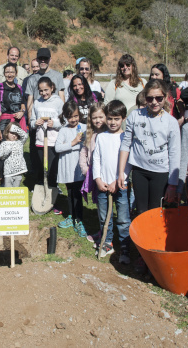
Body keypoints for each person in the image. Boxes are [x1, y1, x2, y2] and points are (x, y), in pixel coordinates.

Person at [117, 80, 180, 271]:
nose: (154, 102)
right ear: (145, 97)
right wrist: (122, 172)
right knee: (142, 213)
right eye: (150, 98)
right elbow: (126, 144)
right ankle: (143, 254)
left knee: (156, 214)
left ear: (165, 98)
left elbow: (175, 153)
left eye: (158, 98)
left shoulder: (170, 122)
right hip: (140, 172)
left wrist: (173, 184)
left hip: (160, 173)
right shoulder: (135, 115)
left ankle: (155, 251)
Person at [93, 100, 131, 263]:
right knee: (104, 216)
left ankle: (125, 247)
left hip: (120, 185)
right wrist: (98, 179)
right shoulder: (101, 137)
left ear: (123, 118)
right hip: (103, 185)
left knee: (122, 219)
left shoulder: (125, 137)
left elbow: (128, 163)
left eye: (116, 119)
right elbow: (96, 159)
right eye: (109, 118)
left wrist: (119, 180)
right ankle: (107, 242)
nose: (112, 122)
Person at [55, 101, 87, 237]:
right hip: (67, 166)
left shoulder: (84, 127)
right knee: (70, 192)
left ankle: (79, 220)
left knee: (77, 194)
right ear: (65, 117)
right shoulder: (63, 130)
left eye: (75, 116)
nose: (73, 120)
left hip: (78, 166)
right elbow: (57, 148)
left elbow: (87, 144)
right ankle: (71, 216)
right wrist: (73, 143)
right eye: (70, 117)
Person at [29, 77, 64, 189]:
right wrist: (35, 123)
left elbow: (64, 121)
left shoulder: (58, 102)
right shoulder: (37, 102)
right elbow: (32, 121)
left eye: (46, 90)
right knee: (41, 166)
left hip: (53, 141)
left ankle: (53, 187)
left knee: (51, 168)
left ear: (52, 88)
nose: (43, 93)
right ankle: (41, 186)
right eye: (41, 90)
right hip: (40, 140)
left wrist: (54, 123)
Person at [80, 102, 107, 243]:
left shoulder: (109, 133)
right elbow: (83, 152)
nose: (98, 120)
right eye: (94, 117)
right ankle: (102, 231)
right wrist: (85, 169)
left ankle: (108, 234)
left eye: (101, 117)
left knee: (109, 206)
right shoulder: (90, 134)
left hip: (108, 175)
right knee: (100, 206)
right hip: (94, 175)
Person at [0, 63, 26, 133]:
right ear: (4, 74)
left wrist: (22, 112)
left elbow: (22, 104)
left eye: (12, 72)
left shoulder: (19, 88)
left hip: (18, 121)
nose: (9, 75)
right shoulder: (0, 87)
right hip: (4, 121)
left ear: (16, 73)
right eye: (7, 72)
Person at [0, 122, 28, 187]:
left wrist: (14, 128)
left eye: (16, 134)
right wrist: (7, 151)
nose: (14, 135)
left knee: (15, 193)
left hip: (18, 172)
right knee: (8, 193)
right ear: (7, 132)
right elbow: (1, 156)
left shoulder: (19, 142)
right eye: (12, 133)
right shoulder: (4, 144)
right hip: (8, 173)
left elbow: (25, 135)